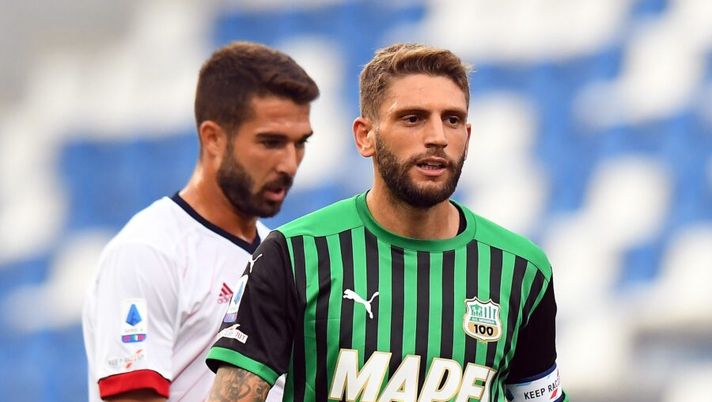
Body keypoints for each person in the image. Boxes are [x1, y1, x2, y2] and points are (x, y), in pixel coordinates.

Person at [205, 43, 568, 402]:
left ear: (467, 137)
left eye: (452, 120)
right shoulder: (294, 256)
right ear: (366, 136)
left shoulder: (522, 269)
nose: (438, 137)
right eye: (413, 118)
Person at [82, 41, 319, 402]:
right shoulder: (149, 252)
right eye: (270, 142)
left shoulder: (285, 257)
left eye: (299, 143)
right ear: (213, 138)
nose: (289, 163)